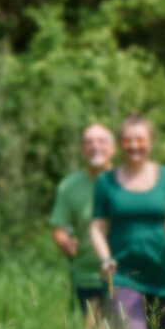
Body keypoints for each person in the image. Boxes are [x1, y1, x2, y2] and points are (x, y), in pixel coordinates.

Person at [88, 113, 165, 329]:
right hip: (124, 274)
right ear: (119, 143)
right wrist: (105, 259)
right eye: (127, 140)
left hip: (163, 272)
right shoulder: (106, 181)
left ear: (151, 143)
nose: (134, 146)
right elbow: (97, 227)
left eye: (140, 140)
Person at [50, 123, 116, 317]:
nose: (95, 146)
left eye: (101, 141)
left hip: (128, 276)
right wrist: (65, 243)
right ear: (82, 150)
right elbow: (59, 227)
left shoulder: (127, 181)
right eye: (89, 142)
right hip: (88, 277)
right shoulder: (69, 187)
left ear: (113, 148)